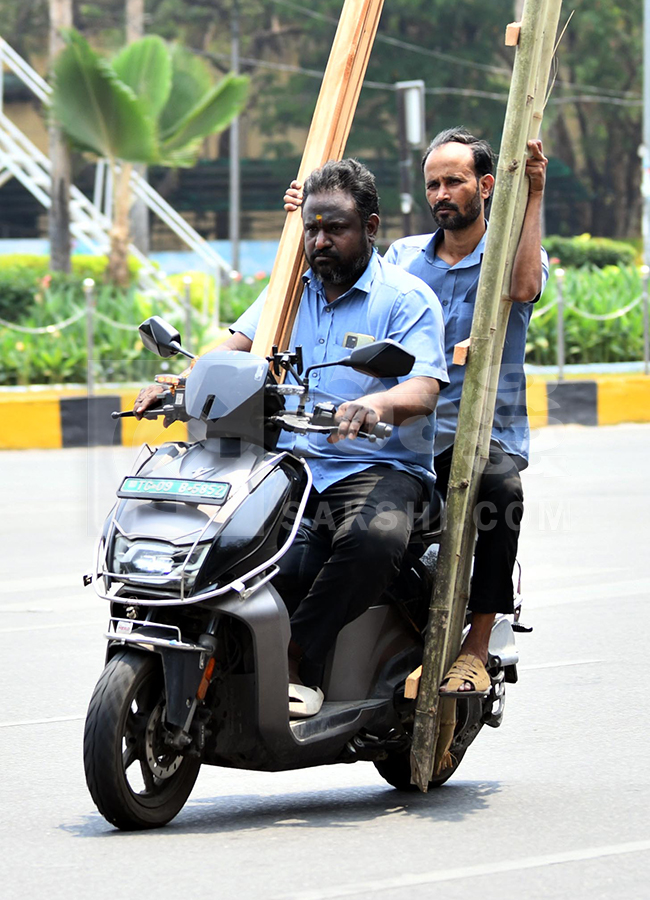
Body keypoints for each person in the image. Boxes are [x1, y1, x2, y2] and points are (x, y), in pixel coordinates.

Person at [135, 158, 448, 718]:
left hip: (379, 469)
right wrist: (180, 383)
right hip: (293, 464)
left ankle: (294, 656)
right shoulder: (288, 293)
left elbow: (423, 388)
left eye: (336, 229)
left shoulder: (405, 297)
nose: (320, 241)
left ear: (371, 229)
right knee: (220, 542)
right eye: (312, 228)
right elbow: (233, 346)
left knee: (372, 539)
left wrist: (371, 403)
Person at [284, 129, 548, 698]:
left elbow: (524, 287)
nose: (441, 193)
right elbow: (345, 270)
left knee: (499, 493)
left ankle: (476, 648)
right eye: (433, 183)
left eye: (454, 181)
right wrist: (307, 217)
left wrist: (533, 198)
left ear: (484, 186)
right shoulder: (403, 257)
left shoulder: (510, 254)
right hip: (404, 434)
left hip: (478, 429)